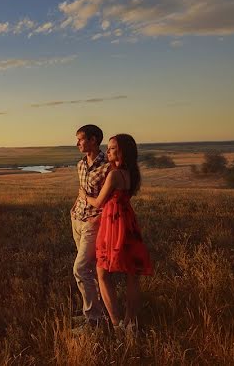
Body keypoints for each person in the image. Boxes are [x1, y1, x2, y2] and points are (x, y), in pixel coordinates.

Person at [86, 134, 154, 333]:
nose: (107, 151)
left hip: (113, 224)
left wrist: (84, 196)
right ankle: (130, 322)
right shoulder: (131, 173)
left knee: (103, 272)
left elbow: (99, 202)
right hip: (128, 221)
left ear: (122, 152)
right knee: (132, 274)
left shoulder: (114, 175)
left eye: (112, 148)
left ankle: (117, 324)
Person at [70, 124, 111, 331]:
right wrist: (74, 209)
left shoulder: (108, 167)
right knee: (89, 270)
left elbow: (110, 200)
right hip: (77, 219)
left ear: (94, 140)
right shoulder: (80, 164)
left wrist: (99, 218)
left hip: (93, 223)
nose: (77, 143)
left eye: (81, 139)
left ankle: (93, 320)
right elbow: (82, 192)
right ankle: (95, 312)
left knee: (80, 268)